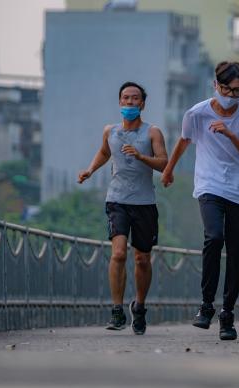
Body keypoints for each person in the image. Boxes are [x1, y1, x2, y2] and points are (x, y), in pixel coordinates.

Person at [161, 61, 239, 340]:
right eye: (227, 89)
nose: (232, 96)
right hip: (209, 185)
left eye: (238, 91)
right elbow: (184, 141)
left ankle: (227, 313)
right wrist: (169, 169)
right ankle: (206, 304)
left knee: (237, 253)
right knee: (214, 237)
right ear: (215, 85)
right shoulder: (197, 113)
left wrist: (232, 133)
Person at [78, 81, 168, 335]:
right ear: (119, 102)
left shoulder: (153, 133)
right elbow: (104, 152)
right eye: (126, 98)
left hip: (144, 203)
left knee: (142, 259)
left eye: (135, 99)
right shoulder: (111, 131)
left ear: (142, 104)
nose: (130, 102)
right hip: (117, 200)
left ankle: (139, 306)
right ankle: (117, 310)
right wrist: (89, 170)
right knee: (118, 254)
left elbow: (164, 163)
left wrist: (141, 157)